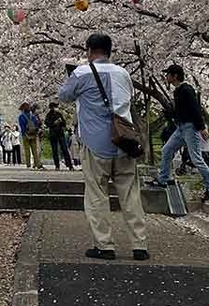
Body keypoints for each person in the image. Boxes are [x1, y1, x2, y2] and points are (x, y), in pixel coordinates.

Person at [58, 33, 150, 262]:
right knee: (130, 194)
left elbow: (64, 96)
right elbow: (128, 97)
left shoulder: (81, 72)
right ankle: (140, 245)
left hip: (95, 143)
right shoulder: (123, 73)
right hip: (125, 142)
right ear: (109, 50)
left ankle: (105, 245)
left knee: (97, 195)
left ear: (89, 50)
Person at [151, 64, 209, 202]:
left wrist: (201, 127)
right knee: (166, 150)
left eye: (168, 74)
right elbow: (181, 111)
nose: (166, 77)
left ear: (175, 76)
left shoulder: (187, 89)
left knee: (196, 159)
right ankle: (163, 179)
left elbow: (195, 108)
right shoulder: (177, 91)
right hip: (181, 128)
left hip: (190, 127)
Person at [46, 101, 74, 171]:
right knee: (55, 150)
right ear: (52, 108)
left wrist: (61, 121)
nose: (56, 108)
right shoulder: (48, 115)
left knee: (65, 149)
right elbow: (47, 123)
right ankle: (57, 165)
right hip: (53, 134)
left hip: (60, 133)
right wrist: (54, 123)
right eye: (55, 107)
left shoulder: (59, 114)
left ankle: (70, 165)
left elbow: (64, 123)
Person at [18, 103, 43, 169]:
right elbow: (36, 124)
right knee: (34, 150)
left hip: (25, 135)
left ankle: (28, 165)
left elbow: (22, 127)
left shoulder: (21, 117)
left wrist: (25, 134)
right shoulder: (33, 116)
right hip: (33, 134)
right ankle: (37, 164)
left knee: (27, 150)